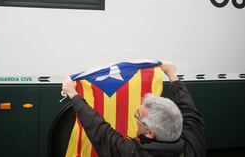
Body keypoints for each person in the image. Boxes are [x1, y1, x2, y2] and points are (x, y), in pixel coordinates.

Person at [61, 62, 206, 157]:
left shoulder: (131, 153)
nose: (135, 116)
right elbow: (190, 112)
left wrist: (73, 94)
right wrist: (173, 76)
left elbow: (100, 130)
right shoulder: (194, 143)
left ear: (150, 133)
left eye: (138, 115)